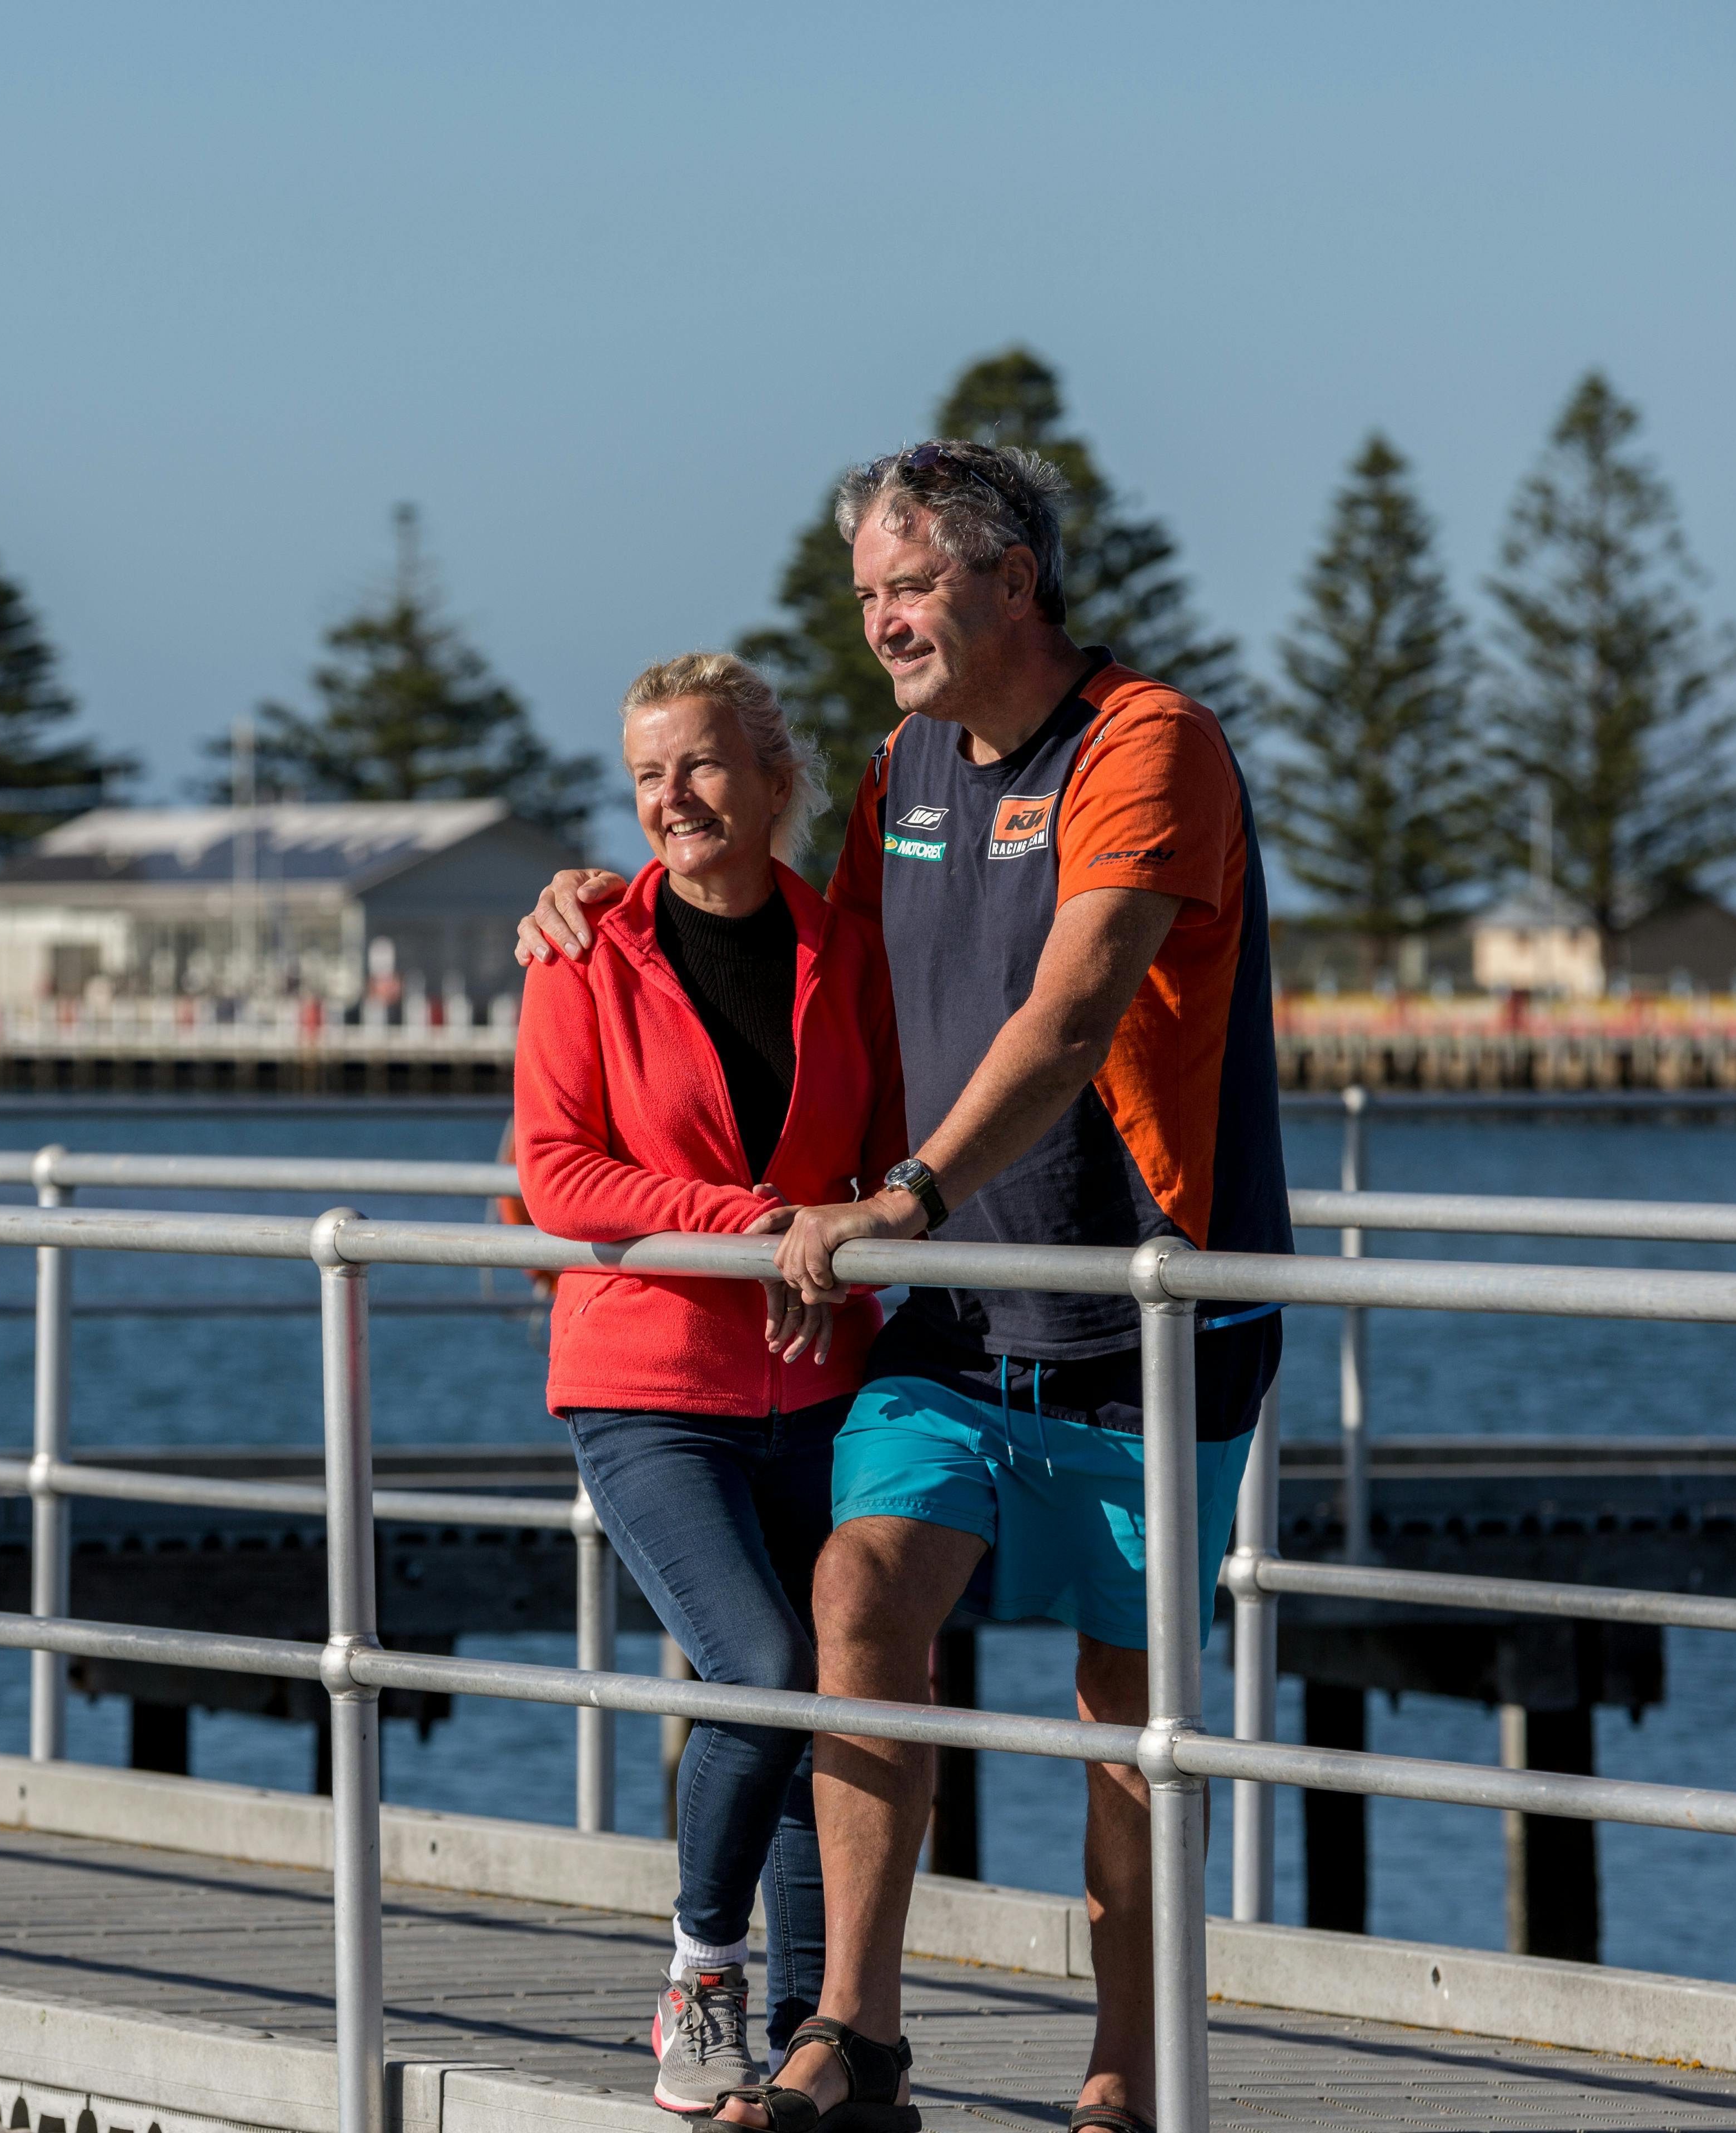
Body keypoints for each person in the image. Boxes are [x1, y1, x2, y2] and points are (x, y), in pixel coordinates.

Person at [518, 443, 1291, 2133]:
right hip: (948, 1320)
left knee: (1126, 1726)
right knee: (857, 1603)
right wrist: (603, 900)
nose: (883, 621)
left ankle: (1129, 2074)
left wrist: (905, 1193)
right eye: (867, 592)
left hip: (1142, 1317)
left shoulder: (1149, 744)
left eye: (913, 584)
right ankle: (851, 2038)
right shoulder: (902, 773)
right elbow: (803, 947)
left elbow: (1076, 1014)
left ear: (1015, 582)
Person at [513, 651, 907, 2117]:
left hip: (823, 1382)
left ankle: (818, 2041)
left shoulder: (844, 946)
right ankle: (702, 1972)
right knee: (767, 1671)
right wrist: (759, 1228)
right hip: (647, 1379)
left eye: (701, 765)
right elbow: (554, 1174)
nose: (672, 800)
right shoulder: (584, 950)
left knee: (836, 1699)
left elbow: (892, 1161)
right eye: (646, 777)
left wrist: (856, 1241)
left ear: (773, 777)